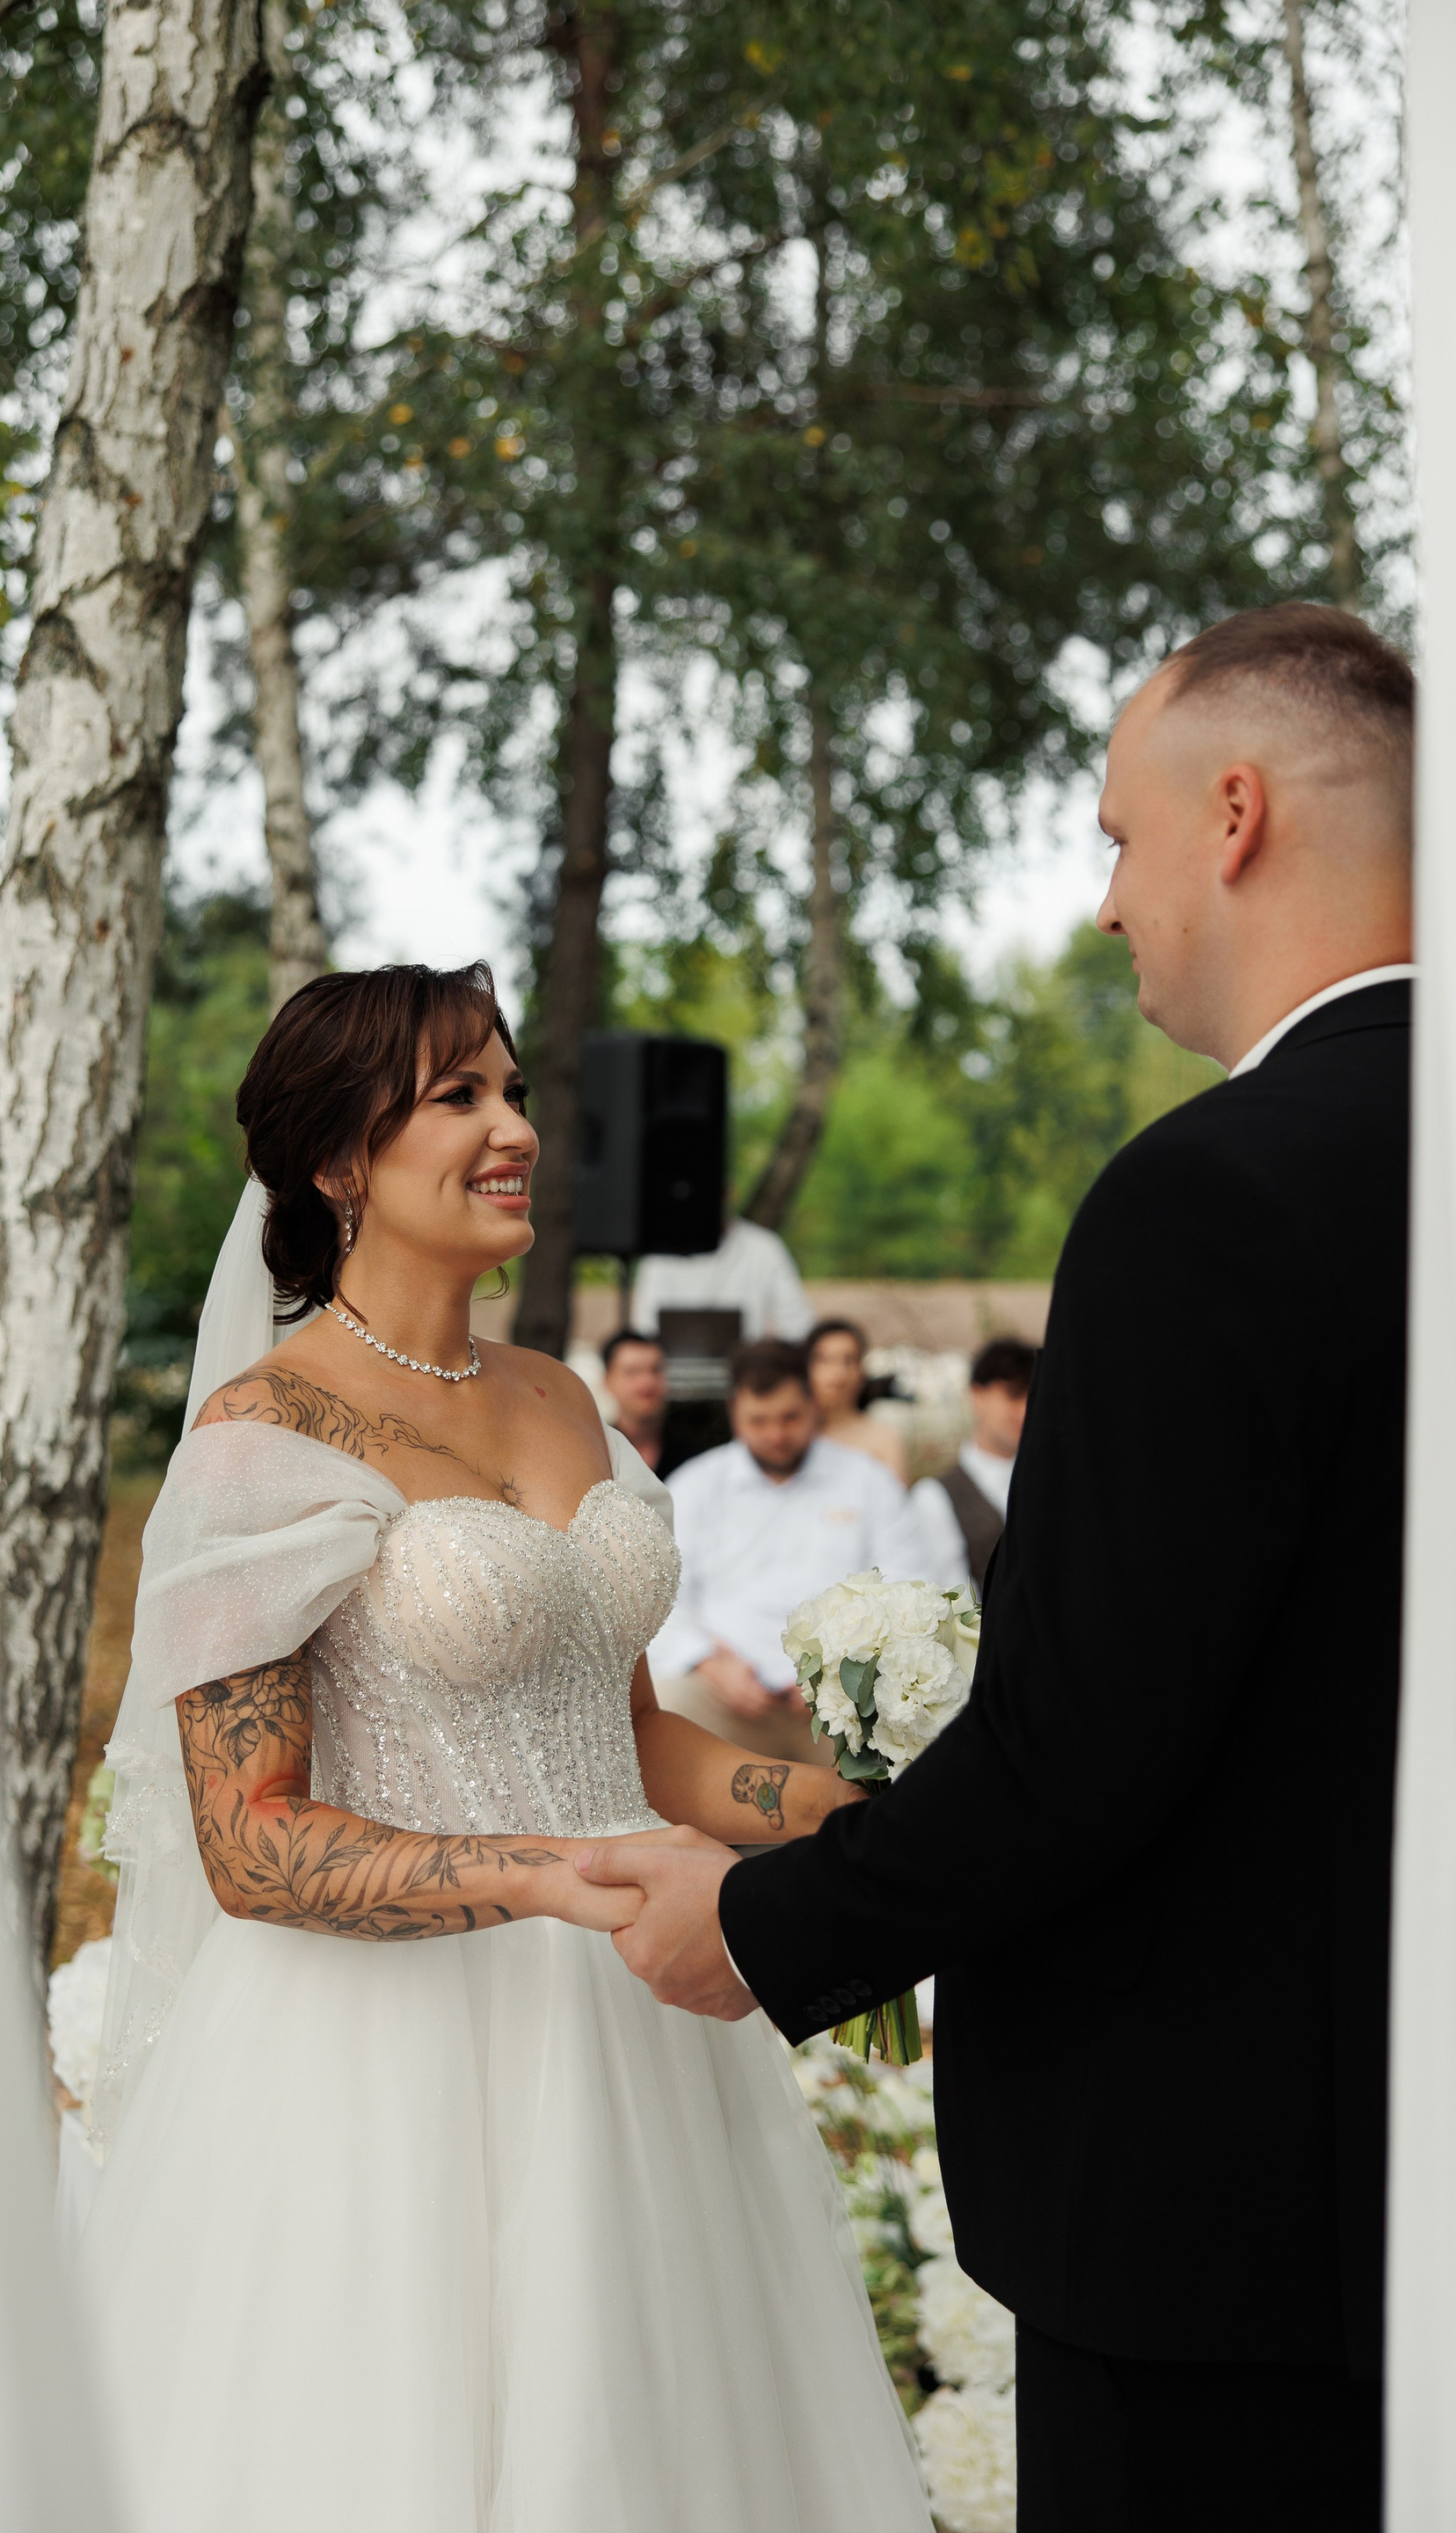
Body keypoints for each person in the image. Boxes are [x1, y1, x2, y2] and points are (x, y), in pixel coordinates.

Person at [581, 602, 1415, 2533]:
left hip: (1233, 2222)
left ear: (1235, 815)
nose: (1109, 904)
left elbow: (1090, 1739)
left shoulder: (1213, 1199)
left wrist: (771, 1927)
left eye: (1119, 837)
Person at [75, 962, 930, 2533]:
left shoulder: (564, 1402)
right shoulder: (265, 1438)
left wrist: (845, 1810)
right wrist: (549, 1876)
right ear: (341, 1160)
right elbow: (251, 1844)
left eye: (516, 1092)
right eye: (459, 1096)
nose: (516, 1129)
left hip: (642, 2018)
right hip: (384, 2066)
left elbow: (635, 1742)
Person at [648, 1338, 934, 1766]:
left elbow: (909, 1586)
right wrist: (708, 1662)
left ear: (814, 1405)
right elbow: (660, 1598)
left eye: (789, 1417)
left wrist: (841, 1674)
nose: (776, 1435)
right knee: (662, 1708)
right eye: (758, 1421)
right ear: (734, 1412)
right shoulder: (696, 1485)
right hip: (721, 1691)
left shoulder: (868, 1482)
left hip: (848, 1699)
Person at [907, 1337, 1038, 1593]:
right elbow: (952, 1599)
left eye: (1033, 1397)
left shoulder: (1056, 1482)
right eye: (1013, 1395)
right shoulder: (935, 1496)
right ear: (977, 1396)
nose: (1024, 1411)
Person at [630, 1207, 812, 1343]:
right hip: (672, 1371)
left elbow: (798, 1326)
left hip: (748, 1371)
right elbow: (647, 1329)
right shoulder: (658, 1252)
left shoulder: (764, 1246)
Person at [805, 1317, 911, 1485]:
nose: (838, 1372)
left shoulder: (884, 1439)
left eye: (849, 1360)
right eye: (825, 1360)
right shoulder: (793, 1435)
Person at [600, 1325, 688, 1478]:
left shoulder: (692, 1459)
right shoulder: (596, 1455)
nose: (647, 1382)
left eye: (656, 1370)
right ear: (608, 1380)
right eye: (632, 1372)